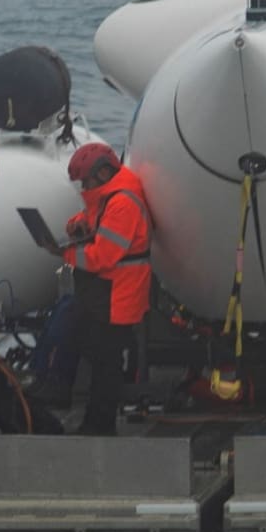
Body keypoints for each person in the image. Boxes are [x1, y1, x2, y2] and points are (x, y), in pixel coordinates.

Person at [60, 142, 153, 435]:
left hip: (119, 295)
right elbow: (92, 218)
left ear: (102, 173)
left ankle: (100, 425)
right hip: (108, 294)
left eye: (86, 181)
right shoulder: (109, 197)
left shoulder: (122, 203)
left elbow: (102, 257)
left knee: (106, 364)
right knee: (98, 354)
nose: (83, 187)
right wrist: (75, 226)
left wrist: (66, 254)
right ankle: (96, 421)